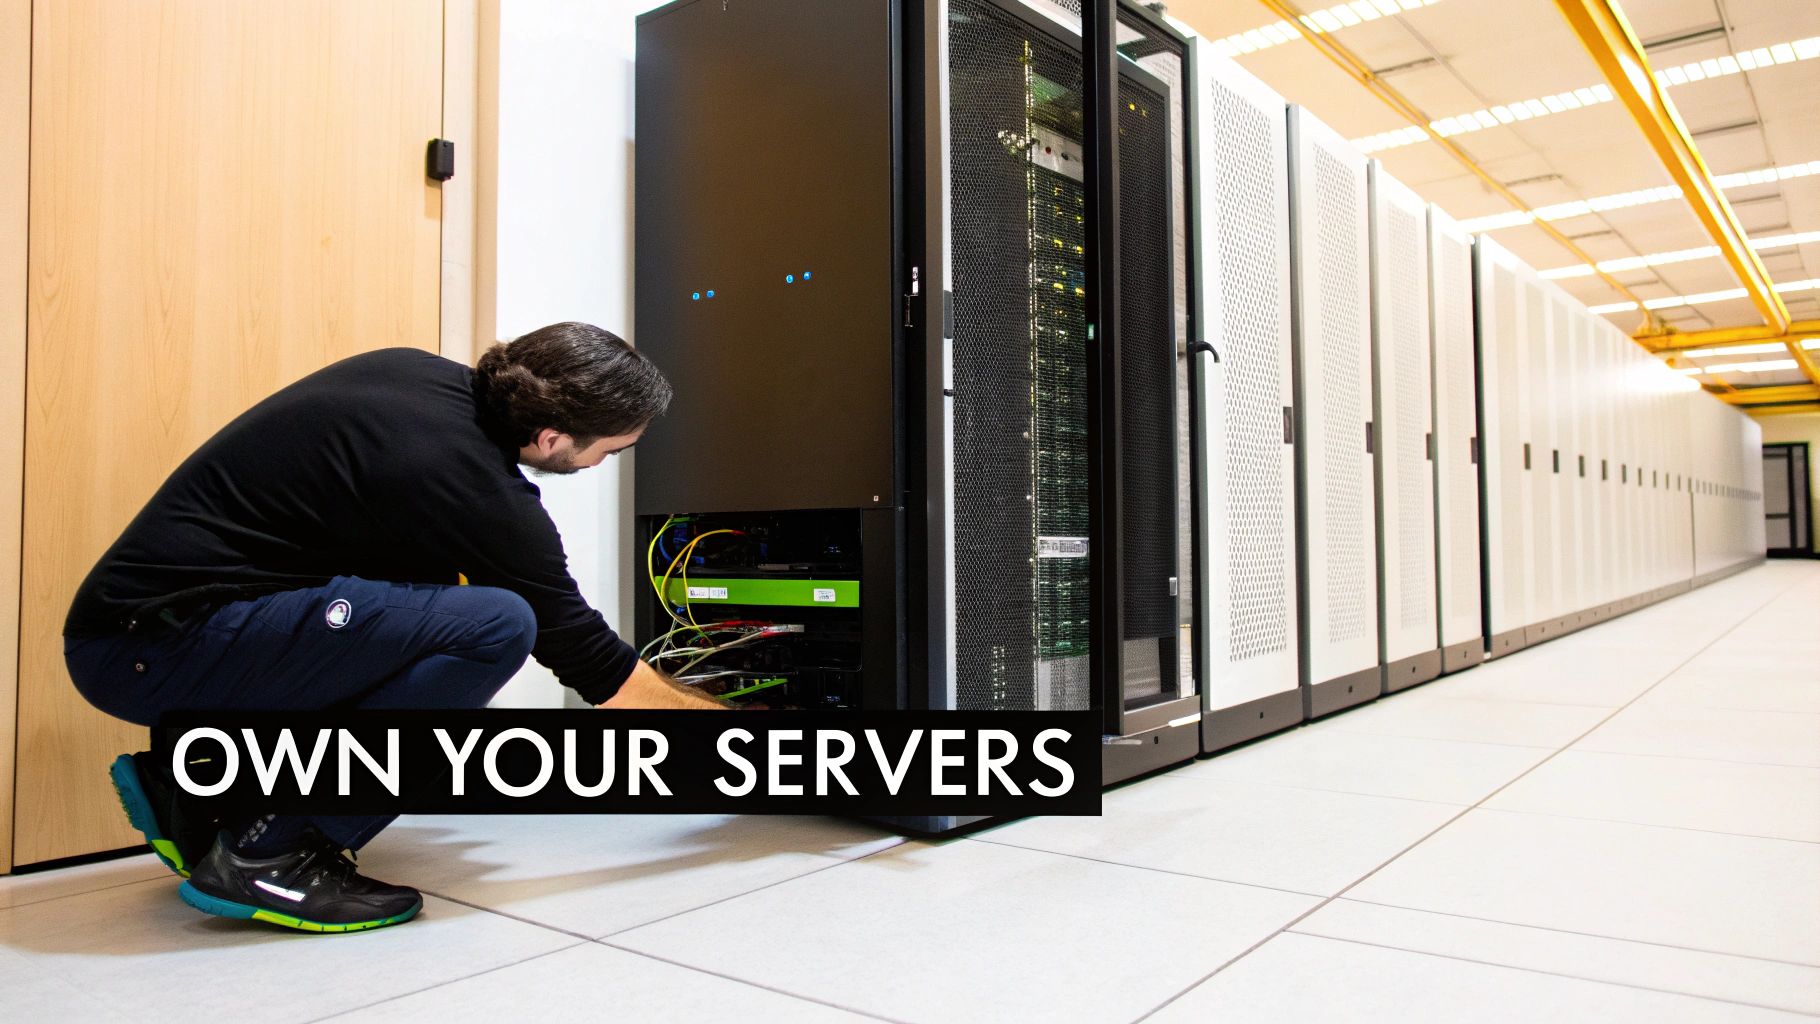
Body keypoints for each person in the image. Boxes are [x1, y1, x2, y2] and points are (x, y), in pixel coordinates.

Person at [63, 322, 722, 934]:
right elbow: (594, 665)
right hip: (152, 649)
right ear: (552, 438)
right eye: (609, 451)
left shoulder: (412, 377)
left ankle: (200, 786)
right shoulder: (473, 484)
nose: (602, 465)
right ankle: (273, 853)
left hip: (143, 635)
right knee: (496, 625)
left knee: (433, 603)